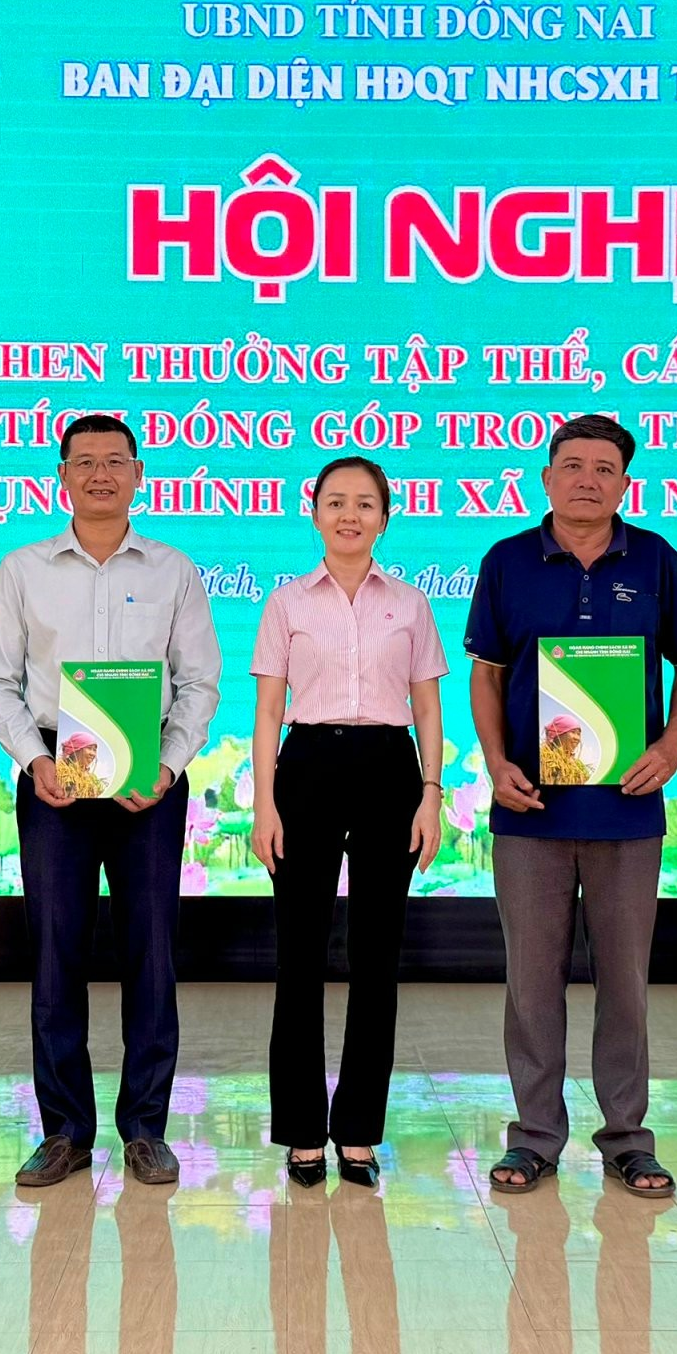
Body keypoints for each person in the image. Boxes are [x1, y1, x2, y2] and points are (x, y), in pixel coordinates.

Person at [464, 416, 677, 1199]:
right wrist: (496, 763)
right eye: (572, 466)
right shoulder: (507, 562)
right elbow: (486, 674)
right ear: (546, 478)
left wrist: (671, 747)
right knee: (532, 987)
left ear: (624, 484)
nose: (587, 480)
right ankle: (535, 1138)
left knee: (625, 986)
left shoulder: (656, 559)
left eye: (605, 469)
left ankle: (628, 1141)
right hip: (530, 813)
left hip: (627, 815)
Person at [0, 415, 223, 1187]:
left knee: (151, 952)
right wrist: (34, 760)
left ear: (139, 473)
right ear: (62, 476)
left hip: (149, 779)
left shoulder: (174, 569)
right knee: (57, 952)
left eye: (115, 461)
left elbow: (199, 682)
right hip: (56, 775)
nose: (101, 474)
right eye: (84, 462)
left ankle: (146, 1129)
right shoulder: (23, 568)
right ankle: (64, 1132)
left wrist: (170, 767)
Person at [250, 456, 446, 1189]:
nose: (349, 515)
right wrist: (264, 802)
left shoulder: (412, 604)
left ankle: (358, 1131)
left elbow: (427, 707)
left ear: (385, 518)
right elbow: (268, 710)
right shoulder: (287, 603)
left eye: (365, 503)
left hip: (390, 768)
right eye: (336, 502)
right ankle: (303, 1132)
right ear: (315, 515)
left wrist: (430, 794)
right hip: (306, 767)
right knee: (299, 956)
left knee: (377, 956)